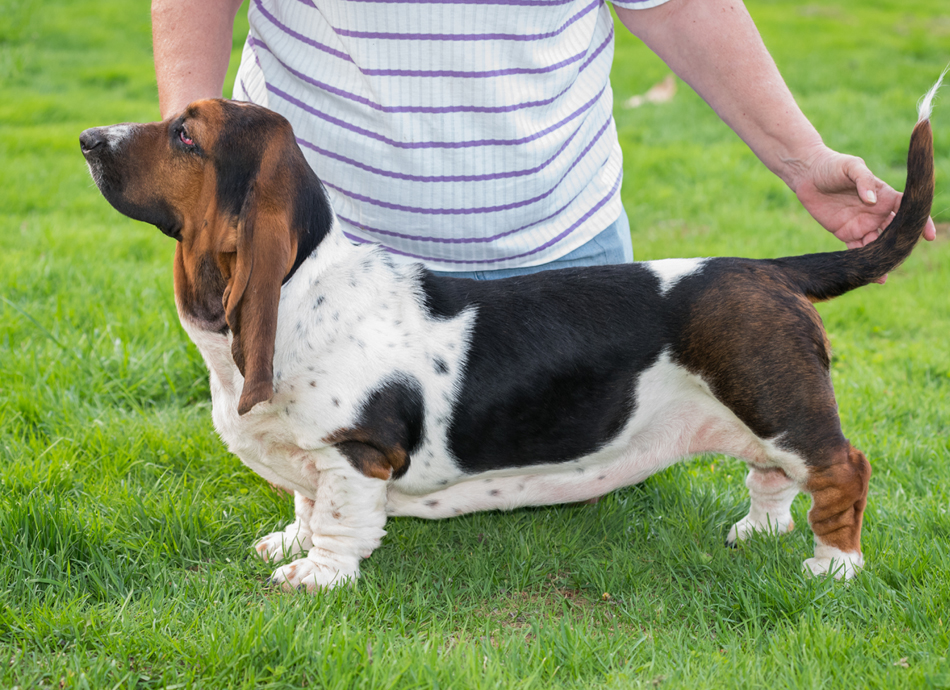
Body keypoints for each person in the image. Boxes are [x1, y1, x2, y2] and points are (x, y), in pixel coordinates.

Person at [151, 0, 936, 280]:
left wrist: (803, 160)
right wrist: (191, 165)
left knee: (582, 483)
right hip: (316, 259)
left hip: (557, 258)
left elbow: (677, 2)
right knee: (323, 467)